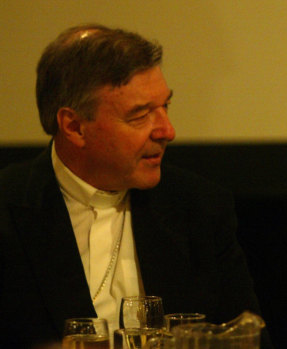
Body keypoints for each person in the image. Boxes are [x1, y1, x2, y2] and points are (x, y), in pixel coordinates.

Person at [0, 24, 271, 349]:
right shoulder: (8, 210)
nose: (167, 131)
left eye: (165, 107)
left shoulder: (199, 206)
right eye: (140, 115)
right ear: (74, 127)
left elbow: (248, 340)